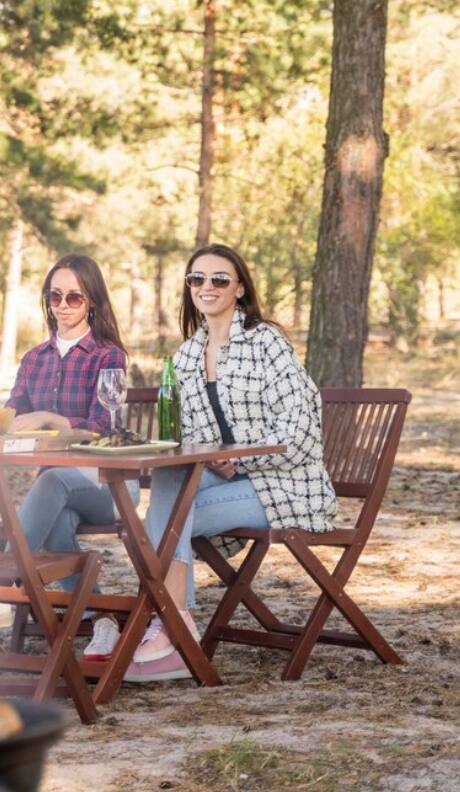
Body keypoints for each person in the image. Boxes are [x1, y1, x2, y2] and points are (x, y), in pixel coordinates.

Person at [124, 243, 336, 683]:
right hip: (230, 478)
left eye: (220, 279)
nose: (207, 287)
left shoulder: (266, 342)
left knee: (164, 524)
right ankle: (176, 618)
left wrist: (235, 456)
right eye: (197, 279)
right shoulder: (185, 357)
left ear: (239, 289)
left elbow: (299, 430)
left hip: (285, 485)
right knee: (170, 480)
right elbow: (195, 437)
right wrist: (213, 456)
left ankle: (168, 626)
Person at [0, 254, 133, 664]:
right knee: (55, 534)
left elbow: (105, 429)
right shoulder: (34, 359)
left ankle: (0, 587)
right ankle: (103, 622)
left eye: (74, 297)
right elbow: (12, 416)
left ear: (92, 302)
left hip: (107, 484)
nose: (64, 305)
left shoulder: (108, 355)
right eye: (56, 296)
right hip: (56, 491)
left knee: (50, 482)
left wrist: (52, 418)